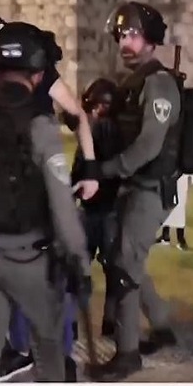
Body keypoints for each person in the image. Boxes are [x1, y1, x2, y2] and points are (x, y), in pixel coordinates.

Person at [0, 21, 92, 382]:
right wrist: (79, 260)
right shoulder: (40, 125)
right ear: (37, 74)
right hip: (30, 260)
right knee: (50, 350)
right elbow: (62, 205)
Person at [89, 2, 183, 381]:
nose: (125, 43)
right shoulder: (135, 83)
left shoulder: (158, 84)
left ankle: (127, 354)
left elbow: (148, 146)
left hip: (150, 189)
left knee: (126, 266)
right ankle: (162, 327)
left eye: (133, 35)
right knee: (121, 257)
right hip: (133, 185)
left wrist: (107, 170)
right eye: (121, 36)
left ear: (151, 40)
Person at [67, 78, 123, 337]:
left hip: (96, 211)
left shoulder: (98, 131)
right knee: (109, 271)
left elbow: (81, 169)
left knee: (80, 269)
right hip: (106, 210)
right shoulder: (117, 133)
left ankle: (75, 324)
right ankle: (107, 324)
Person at [156, 174, 193, 250]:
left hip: (181, 181)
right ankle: (165, 236)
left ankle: (180, 239)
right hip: (170, 180)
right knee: (168, 204)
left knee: (179, 209)